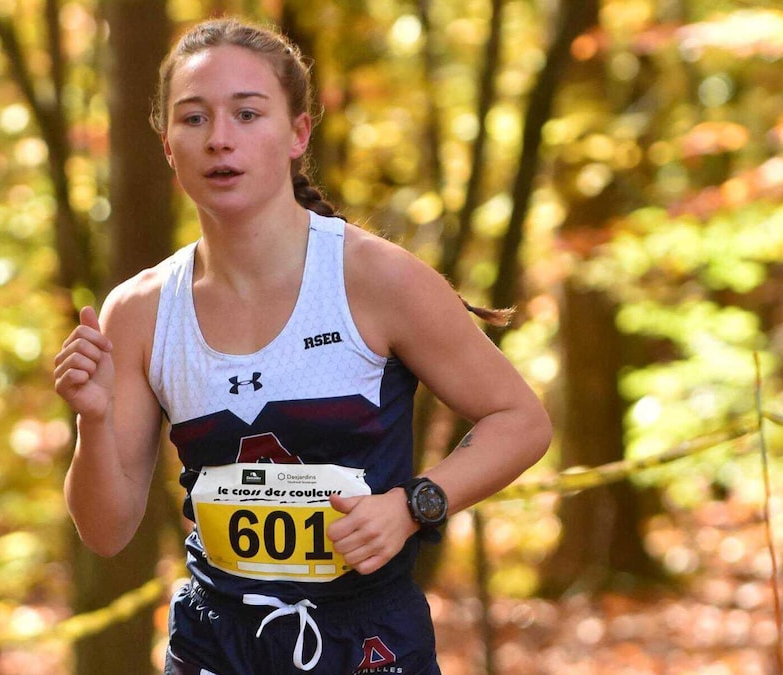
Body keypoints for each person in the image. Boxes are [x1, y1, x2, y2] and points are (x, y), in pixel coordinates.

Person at [54, 17, 551, 675]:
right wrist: (92, 417)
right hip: (215, 646)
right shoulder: (141, 309)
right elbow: (106, 530)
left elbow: (521, 419)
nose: (220, 139)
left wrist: (413, 505)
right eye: (194, 118)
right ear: (167, 144)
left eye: (248, 113)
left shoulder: (374, 278)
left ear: (298, 133)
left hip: (366, 642)